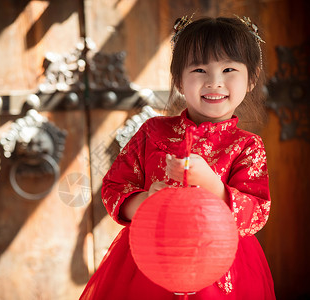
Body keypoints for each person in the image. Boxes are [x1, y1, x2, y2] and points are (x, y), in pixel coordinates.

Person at [80, 15, 275, 299]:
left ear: (251, 79)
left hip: (222, 263)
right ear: (179, 81)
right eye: (199, 70)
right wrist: (145, 202)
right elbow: (113, 189)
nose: (214, 83)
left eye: (229, 69)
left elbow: (257, 213)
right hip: (150, 256)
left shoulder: (247, 146)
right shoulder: (152, 132)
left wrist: (212, 184)